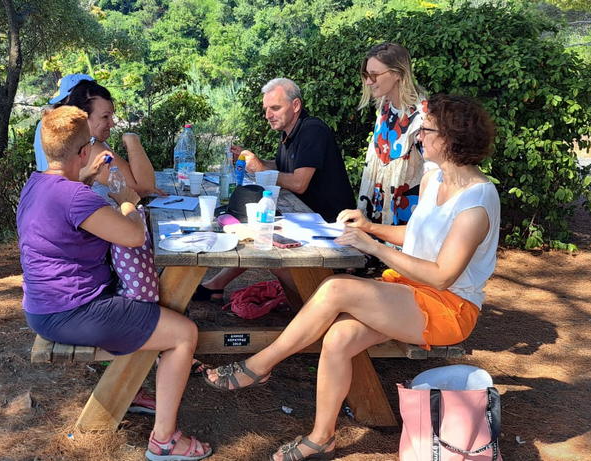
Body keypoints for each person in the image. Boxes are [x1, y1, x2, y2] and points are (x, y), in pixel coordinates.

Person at [203, 94, 499, 461]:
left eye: (426, 130)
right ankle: (321, 437)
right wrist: (370, 227)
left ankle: (258, 365)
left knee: (335, 288)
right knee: (339, 337)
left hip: (449, 306)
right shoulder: (434, 178)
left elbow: (441, 277)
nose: (418, 137)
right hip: (409, 292)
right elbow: (417, 235)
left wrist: (373, 247)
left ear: (452, 139)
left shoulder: (475, 204)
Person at [18, 106, 211, 461]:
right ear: (83, 151)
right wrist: (127, 203)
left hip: (42, 308)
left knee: (160, 318)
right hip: (72, 312)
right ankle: (164, 441)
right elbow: (133, 236)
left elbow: (65, 205)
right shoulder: (76, 198)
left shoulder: (35, 185)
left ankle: (134, 391)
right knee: (184, 333)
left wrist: (87, 176)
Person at [193, 78, 355, 302]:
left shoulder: (312, 130)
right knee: (255, 226)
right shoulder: (290, 131)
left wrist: (259, 168)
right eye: (266, 109)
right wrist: (254, 161)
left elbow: (298, 182)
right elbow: (281, 167)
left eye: (275, 108)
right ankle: (216, 285)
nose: (268, 115)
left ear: (295, 105)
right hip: (303, 216)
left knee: (263, 242)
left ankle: (320, 301)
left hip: (327, 226)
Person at [35, 73, 164, 196]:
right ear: (82, 116)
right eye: (105, 117)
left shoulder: (55, 131)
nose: (112, 123)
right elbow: (144, 188)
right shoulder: (88, 148)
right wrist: (132, 141)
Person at [356, 42, 429, 226]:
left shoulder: (423, 118)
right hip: (378, 216)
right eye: (366, 75)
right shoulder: (385, 108)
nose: (368, 82)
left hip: (408, 222)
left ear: (397, 73)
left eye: (374, 75)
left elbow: (434, 175)